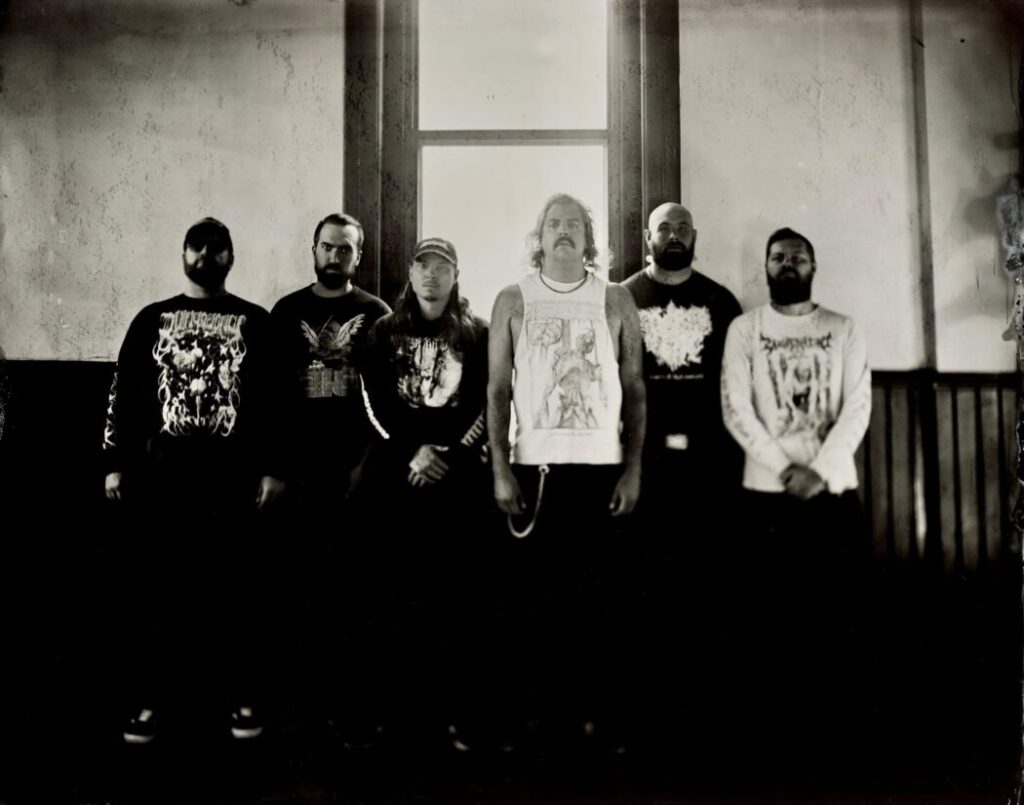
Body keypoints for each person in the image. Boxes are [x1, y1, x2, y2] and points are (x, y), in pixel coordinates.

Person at [102, 217, 287, 745]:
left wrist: (275, 467)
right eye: (196, 246)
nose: (206, 254)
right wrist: (112, 462)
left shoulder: (256, 321)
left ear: (231, 257)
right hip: (164, 479)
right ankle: (151, 701)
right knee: (158, 591)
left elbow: (277, 404)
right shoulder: (151, 319)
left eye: (216, 247)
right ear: (183, 254)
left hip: (234, 480)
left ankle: (242, 697)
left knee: (236, 591)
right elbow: (123, 394)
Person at [487, 193, 645, 751]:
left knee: (600, 603)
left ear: (588, 238)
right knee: (535, 603)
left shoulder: (616, 298)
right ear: (539, 236)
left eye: (573, 224)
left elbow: (635, 388)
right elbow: (498, 389)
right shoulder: (513, 298)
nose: (563, 231)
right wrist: (500, 468)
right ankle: (538, 722)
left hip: (602, 471)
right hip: (537, 470)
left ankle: (596, 721)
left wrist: (633, 468)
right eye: (553, 223)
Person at [720, 226, 872, 757]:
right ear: (765, 268)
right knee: (770, 621)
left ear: (813, 267)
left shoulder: (843, 328)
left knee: (837, 619)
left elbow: (858, 408)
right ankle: (775, 742)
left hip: (833, 495)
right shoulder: (744, 330)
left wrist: (819, 471)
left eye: (798, 257)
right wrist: (786, 469)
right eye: (778, 257)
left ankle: (837, 738)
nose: (788, 264)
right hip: (765, 495)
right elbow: (736, 408)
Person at [357, 237, 491, 751]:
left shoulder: (477, 334)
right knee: (393, 598)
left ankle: (457, 715)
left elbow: (490, 402)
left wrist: (450, 455)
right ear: (410, 274)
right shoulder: (382, 332)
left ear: (456, 275)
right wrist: (411, 452)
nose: (431, 275)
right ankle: (393, 716)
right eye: (422, 266)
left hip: (457, 484)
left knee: (456, 602)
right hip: (396, 481)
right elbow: (371, 404)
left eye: (442, 267)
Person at [620, 202, 743, 748]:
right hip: (641, 465)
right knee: (643, 590)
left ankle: (701, 719)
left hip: (706, 468)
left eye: (682, 228)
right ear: (646, 236)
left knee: (704, 587)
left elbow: (735, 387)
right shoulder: (622, 297)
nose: (673, 235)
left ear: (696, 236)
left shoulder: (722, 302)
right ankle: (645, 717)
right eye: (663, 228)